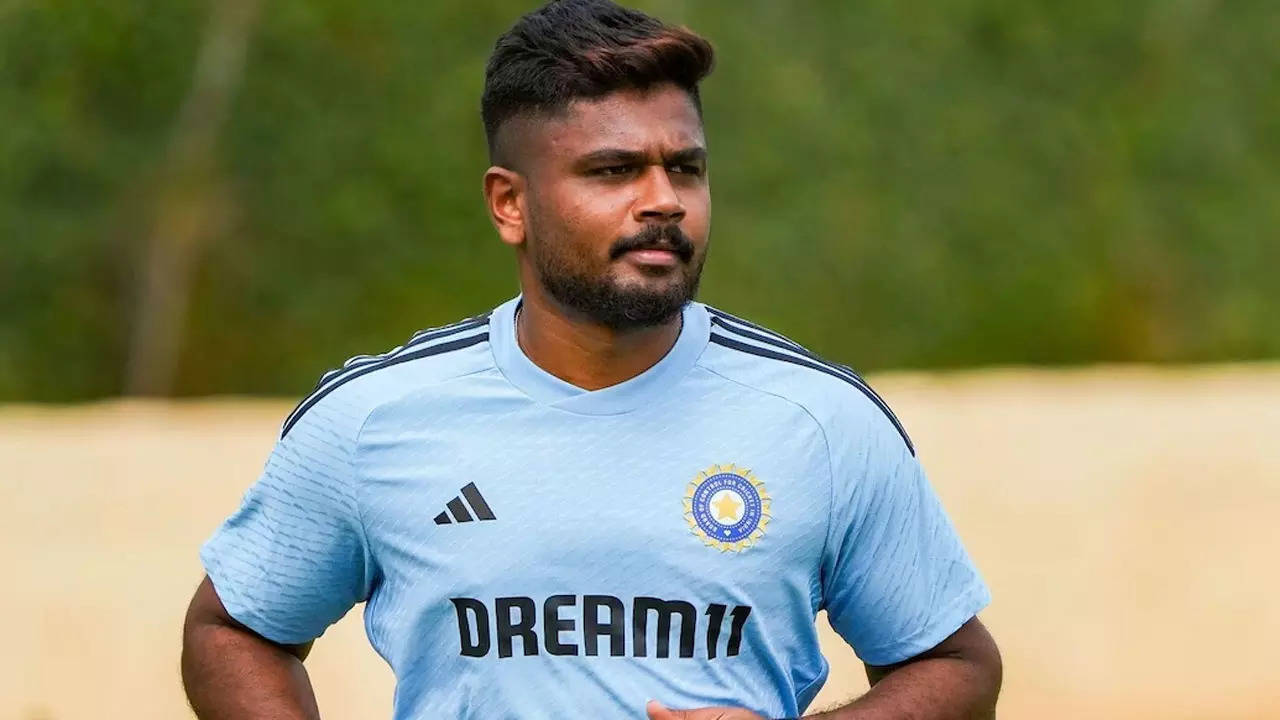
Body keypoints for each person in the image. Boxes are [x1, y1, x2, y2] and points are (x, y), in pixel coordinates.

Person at [180, 1, 1002, 718]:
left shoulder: (822, 421)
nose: (663, 201)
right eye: (614, 171)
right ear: (510, 203)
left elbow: (957, 665)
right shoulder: (373, 420)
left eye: (685, 168)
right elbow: (233, 630)